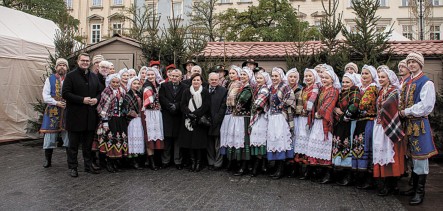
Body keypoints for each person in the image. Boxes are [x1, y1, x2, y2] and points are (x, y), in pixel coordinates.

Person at [399, 52, 437, 206]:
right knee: (411, 157)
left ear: (420, 64)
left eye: (414, 62)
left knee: (420, 157)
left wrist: (406, 111)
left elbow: (426, 106)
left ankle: (420, 192)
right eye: (410, 62)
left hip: (419, 124)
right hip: (408, 124)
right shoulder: (407, 82)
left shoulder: (426, 82)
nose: (411, 65)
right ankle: (414, 187)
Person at [62, 53, 102, 177]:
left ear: (90, 62)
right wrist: (82, 100)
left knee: (88, 144)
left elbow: (100, 91)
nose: (85, 62)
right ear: (78, 61)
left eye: (87, 61)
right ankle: (73, 167)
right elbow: (65, 94)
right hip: (75, 116)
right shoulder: (70, 76)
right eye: (83, 60)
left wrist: (96, 99)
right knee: (73, 145)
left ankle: (88, 165)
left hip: (90, 116)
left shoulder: (94, 76)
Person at [373, 66, 406, 196]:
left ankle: (392, 184)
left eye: (383, 77)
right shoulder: (381, 91)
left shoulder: (394, 91)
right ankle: (384, 183)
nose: (380, 79)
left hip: (389, 125)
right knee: (380, 152)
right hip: (379, 126)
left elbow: (389, 106)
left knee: (390, 153)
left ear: (389, 78)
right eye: (379, 77)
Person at [306, 64, 340, 184]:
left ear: (332, 79)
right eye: (323, 78)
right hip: (317, 122)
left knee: (325, 145)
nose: (324, 80)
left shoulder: (334, 90)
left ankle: (328, 174)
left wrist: (319, 113)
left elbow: (328, 106)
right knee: (316, 144)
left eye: (327, 78)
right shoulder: (321, 89)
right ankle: (317, 171)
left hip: (325, 122)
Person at [352, 64, 380, 189]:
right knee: (358, 146)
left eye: (366, 74)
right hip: (359, 121)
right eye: (362, 73)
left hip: (369, 121)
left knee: (367, 146)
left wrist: (353, 109)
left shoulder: (373, 88)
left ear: (372, 76)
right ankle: (359, 175)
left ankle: (369, 178)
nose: (363, 76)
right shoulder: (358, 88)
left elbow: (363, 105)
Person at [266, 67, 296, 179]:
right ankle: (275, 166)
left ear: (280, 76)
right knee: (273, 140)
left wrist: (280, 105)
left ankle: (281, 168)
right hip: (272, 117)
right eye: (272, 76)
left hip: (281, 117)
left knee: (281, 140)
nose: (274, 78)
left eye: (276, 76)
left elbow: (291, 99)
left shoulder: (285, 87)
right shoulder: (270, 88)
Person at [40, 58, 70, 168]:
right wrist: (56, 102)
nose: (62, 67)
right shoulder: (50, 79)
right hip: (53, 111)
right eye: (60, 65)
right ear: (56, 67)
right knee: (49, 135)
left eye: (64, 65)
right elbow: (45, 96)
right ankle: (48, 160)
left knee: (68, 135)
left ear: (67, 68)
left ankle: (70, 161)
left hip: (67, 110)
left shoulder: (70, 79)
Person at [332, 73, 361, 186]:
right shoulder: (341, 93)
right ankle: (341, 173)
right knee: (340, 146)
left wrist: (344, 116)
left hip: (349, 123)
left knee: (347, 146)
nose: (344, 84)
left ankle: (348, 175)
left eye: (347, 82)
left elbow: (354, 106)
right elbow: (335, 105)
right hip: (341, 123)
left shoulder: (355, 92)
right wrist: (335, 109)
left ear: (353, 83)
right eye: (343, 82)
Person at [96, 73, 128, 173]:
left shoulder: (122, 90)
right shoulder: (107, 91)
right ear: (110, 82)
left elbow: (124, 104)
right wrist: (105, 121)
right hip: (110, 119)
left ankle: (116, 162)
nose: (115, 84)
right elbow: (102, 107)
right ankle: (108, 163)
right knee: (109, 140)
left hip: (119, 119)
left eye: (117, 82)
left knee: (118, 140)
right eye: (113, 82)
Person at [180, 73, 211, 172]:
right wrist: (189, 114)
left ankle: (198, 163)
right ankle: (192, 162)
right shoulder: (186, 91)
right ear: (191, 81)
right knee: (190, 143)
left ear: (201, 81)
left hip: (199, 121)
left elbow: (206, 105)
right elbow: (183, 104)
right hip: (188, 121)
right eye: (194, 80)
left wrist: (195, 115)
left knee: (199, 144)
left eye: (198, 80)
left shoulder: (205, 92)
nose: (196, 82)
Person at [294, 68, 321, 180]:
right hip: (302, 117)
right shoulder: (304, 88)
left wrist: (306, 110)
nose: (308, 78)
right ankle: (301, 169)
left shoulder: (315, 88)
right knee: (301, 140)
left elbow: (311, 103)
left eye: (310, 76)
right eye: (306, 76)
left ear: (314, 77)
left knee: (307, 141)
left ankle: (309, 170)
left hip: (309, 118)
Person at [228, 67, 253, 176]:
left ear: (249, 77)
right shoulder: (241, 87)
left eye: (245, 75)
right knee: (236, 140)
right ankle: (238, 164)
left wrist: (232, 102)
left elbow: (239, 103)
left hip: (244, 118)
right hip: (236, 117)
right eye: (241, 74)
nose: (242, 76)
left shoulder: (248, 88)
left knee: (243, 141)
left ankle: (244, 166)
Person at [159, 69, 186, 170]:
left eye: (176, 76)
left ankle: (177, 161)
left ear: (180, 77)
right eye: (172, 76)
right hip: (167, 115)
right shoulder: (164, 86)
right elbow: (162, 98)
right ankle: (165, 161)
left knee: (177, 140)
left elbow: (184, 99)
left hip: (179, 116)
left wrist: (177, 106)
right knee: (167, 139)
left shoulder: (185, 87)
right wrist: (170, 106)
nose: (174, 78)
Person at [220, 65, 243, 171]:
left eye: (233, 73)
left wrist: (227, 101)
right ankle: (229, 161)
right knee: (228, 137)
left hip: (233, 113)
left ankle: (234, 162)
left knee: (233, 137)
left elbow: (232, 101)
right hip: (228, 113)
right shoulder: (230, 84)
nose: (231, 75)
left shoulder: (238, 84)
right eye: (230, 73)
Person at [141, 67, 164, 170]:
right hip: (148, 113)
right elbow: (148, 101)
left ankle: (158, 160)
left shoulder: (158, 85)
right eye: (148, 75)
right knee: (149, 136)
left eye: (152, 74)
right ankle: (151, 162)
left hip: (157, 113)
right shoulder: (146, 86)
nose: (150, 76)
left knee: (158, 136)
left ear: (156, 75)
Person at [249, 71, 271, 177]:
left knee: (261, 139)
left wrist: (254, 108)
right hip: (257, 116)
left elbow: (258, 103)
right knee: (256, 139)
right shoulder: (257, 88)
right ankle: (260, 165)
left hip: (261, 116)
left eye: (260, 78)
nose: (258, 80)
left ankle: (258, 166)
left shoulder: (264, 89)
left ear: (265, 79)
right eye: (257, 78)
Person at [207, 72, 227, 171]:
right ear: (208, 80)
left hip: (218, 120)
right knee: (209, 144)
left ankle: (218, 163)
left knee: (218, 144)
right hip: (206, 121)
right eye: (212, 80)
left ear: (219, 80)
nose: (214, 81)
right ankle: (210, 161)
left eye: (216, 80)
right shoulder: (204, 89)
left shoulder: (223, 91)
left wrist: (216, 119)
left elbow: (223, 107)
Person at [123, 77, 145, 170]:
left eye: (138, 84)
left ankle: (139, 159)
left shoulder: (140, 94)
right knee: (133, 139)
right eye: (134, 83)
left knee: (140, 139)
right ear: (130, 84)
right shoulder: (128, 95)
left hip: (140, 120)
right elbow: (125, 109)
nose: (136, 85)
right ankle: (133, 161)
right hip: (132, 120)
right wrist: (133, 114)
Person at [286, 68, 303, 177]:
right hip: (285, 117)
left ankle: (295, 167)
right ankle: (288, 165)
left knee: (295, 141)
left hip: (294, 118)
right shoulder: (285, 88)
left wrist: (295, 113)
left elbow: (299, 105)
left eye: (294, 77)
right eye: (290, 76)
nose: (292, 79)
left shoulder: (298, 89)